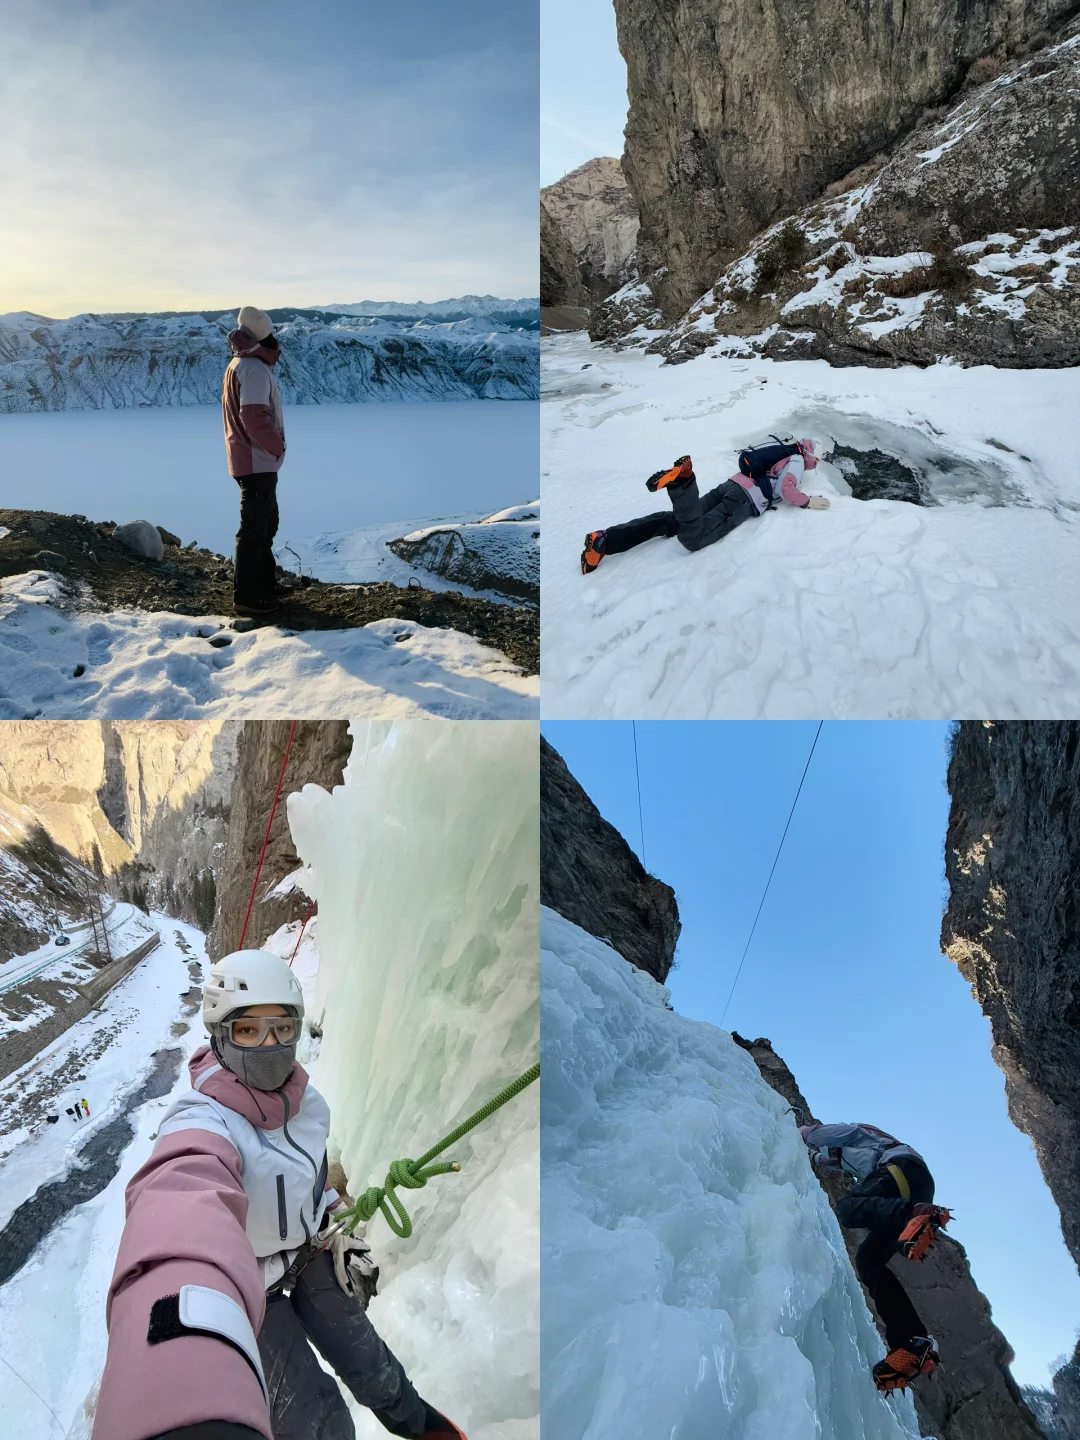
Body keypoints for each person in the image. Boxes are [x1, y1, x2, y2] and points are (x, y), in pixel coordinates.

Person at [93, 949, 467, 1440]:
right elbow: (180, 1198)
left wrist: (330, 1214)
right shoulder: (201, 1118)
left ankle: (427, 1430)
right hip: (249, 1284)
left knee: (374, 1367)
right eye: (249, 1030)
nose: (270, 1044)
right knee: (317, 1423)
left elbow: (308, 1178)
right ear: (221, 1037)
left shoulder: (309, 1107)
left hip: (307, 1252)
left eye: (282, 1028)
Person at [799, 1121, 951, 1393]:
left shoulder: (856, 1133)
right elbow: (831, 1161)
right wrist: (815, 1157)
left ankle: (914, 1215)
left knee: (848, 1208)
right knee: (869, 1261)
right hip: (912, 1185)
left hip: (900, 1170)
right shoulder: (843, 1155)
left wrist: (805, 1133)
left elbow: (844, 1133)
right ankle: (912, 1341)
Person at [581, 439, 830, 574]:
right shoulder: (797, 460)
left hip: (731, 485)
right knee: (694, 538)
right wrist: (808, 502)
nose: (815, 465)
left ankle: (606, 540)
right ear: (811, 456)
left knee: (675, 521)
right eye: (816, 460)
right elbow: (786, 490)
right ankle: (684, 482)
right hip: (744, 499)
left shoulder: (784, 450)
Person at [222, 305, 288, 617]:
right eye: (270, 333)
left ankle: (264, 583)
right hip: (257, 460)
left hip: (249, 458)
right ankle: (248, 596)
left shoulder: (239, 364)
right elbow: (254, 417)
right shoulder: (254, 369)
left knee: (265, 523)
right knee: (254, 529)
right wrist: (277, 446)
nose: (274, 338)